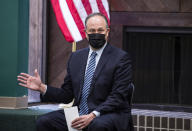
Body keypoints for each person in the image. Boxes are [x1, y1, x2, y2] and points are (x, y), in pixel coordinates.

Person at [17, 13, 133, 131]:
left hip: (108, 113)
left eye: (100, 30)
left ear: (107, 32)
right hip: (79, 112)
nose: (96, 34)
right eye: (92, 30)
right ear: (86, 33)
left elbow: (117, 96)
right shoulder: (76, 57)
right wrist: (42, 87)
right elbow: (67, 95)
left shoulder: (121, 58)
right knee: (44, 122)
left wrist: (93, 115)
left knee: (96, 126)